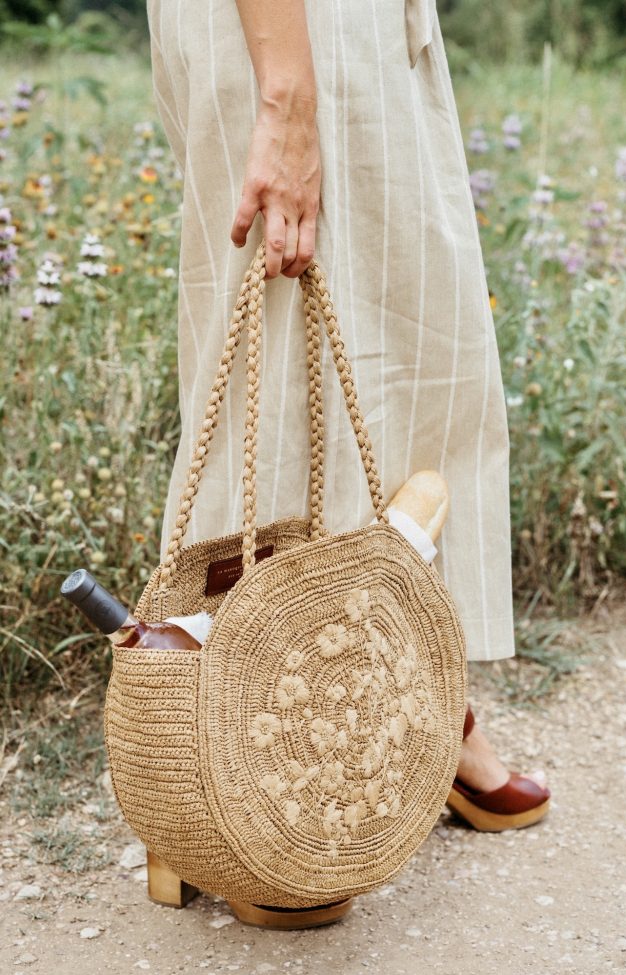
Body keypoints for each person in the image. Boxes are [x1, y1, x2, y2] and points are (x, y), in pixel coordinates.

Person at [146, 0, 549, 848]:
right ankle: (251, 774)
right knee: (281, 374)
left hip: (349, 30)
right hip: (295, 33)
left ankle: (413, 713)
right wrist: (286, 95)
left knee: (399, 357)